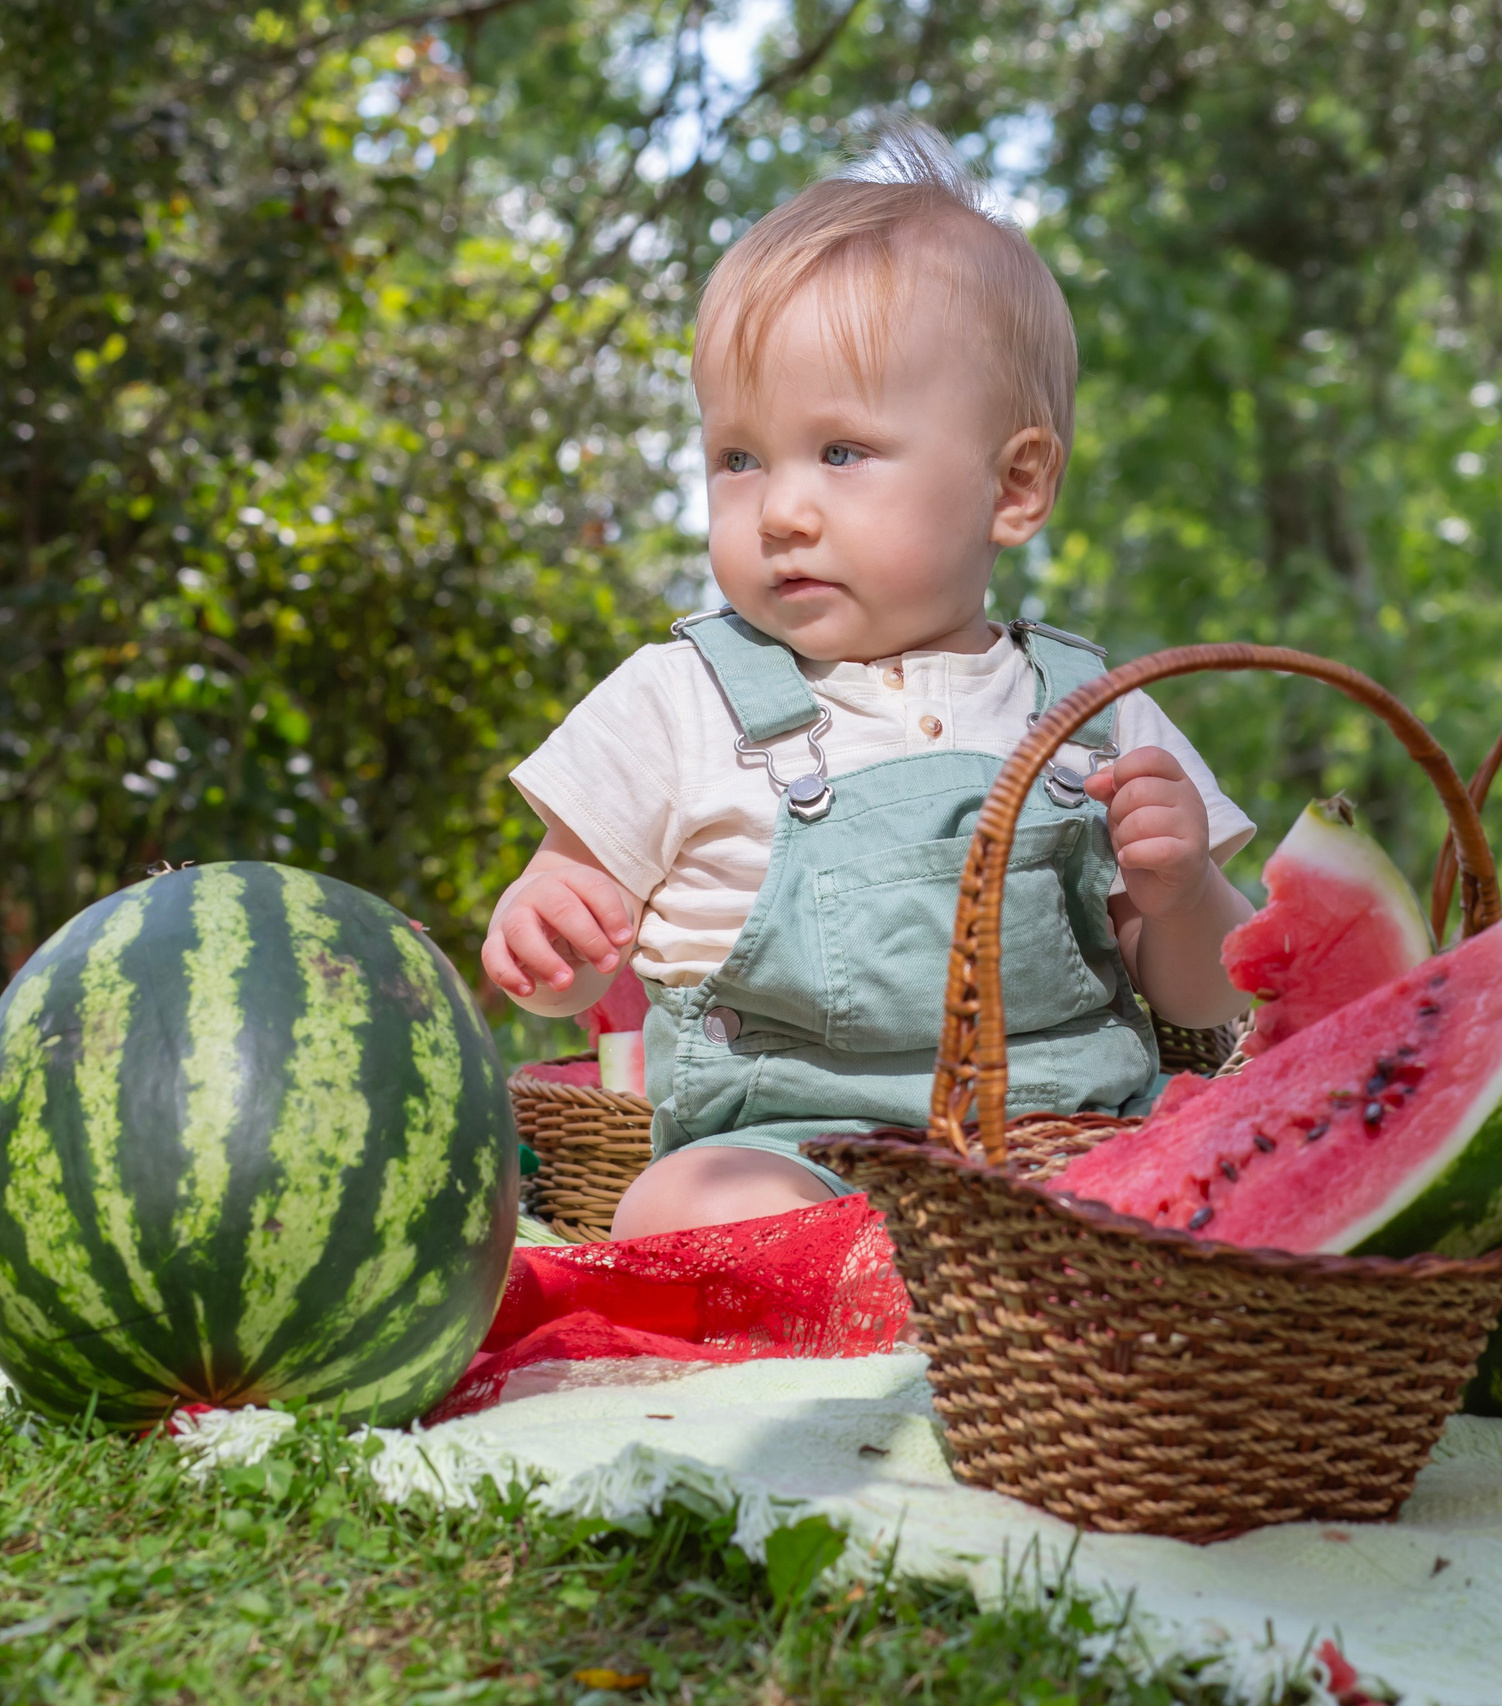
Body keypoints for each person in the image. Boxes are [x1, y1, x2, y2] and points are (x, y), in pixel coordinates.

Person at [482, 124, 1256, 1238]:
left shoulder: (1094, 706)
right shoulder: (677, 696)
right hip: (796, 1149)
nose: (781, 509)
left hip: (1073, 1144)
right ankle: (892, 1280)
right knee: (681, 1206)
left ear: (1016, 485)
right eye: (739, 457)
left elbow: (1202, 998)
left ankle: (952, 1284)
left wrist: (1184, 893)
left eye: (839, 452)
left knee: (1215, 1170)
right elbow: (562, 932)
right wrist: (545, 931)